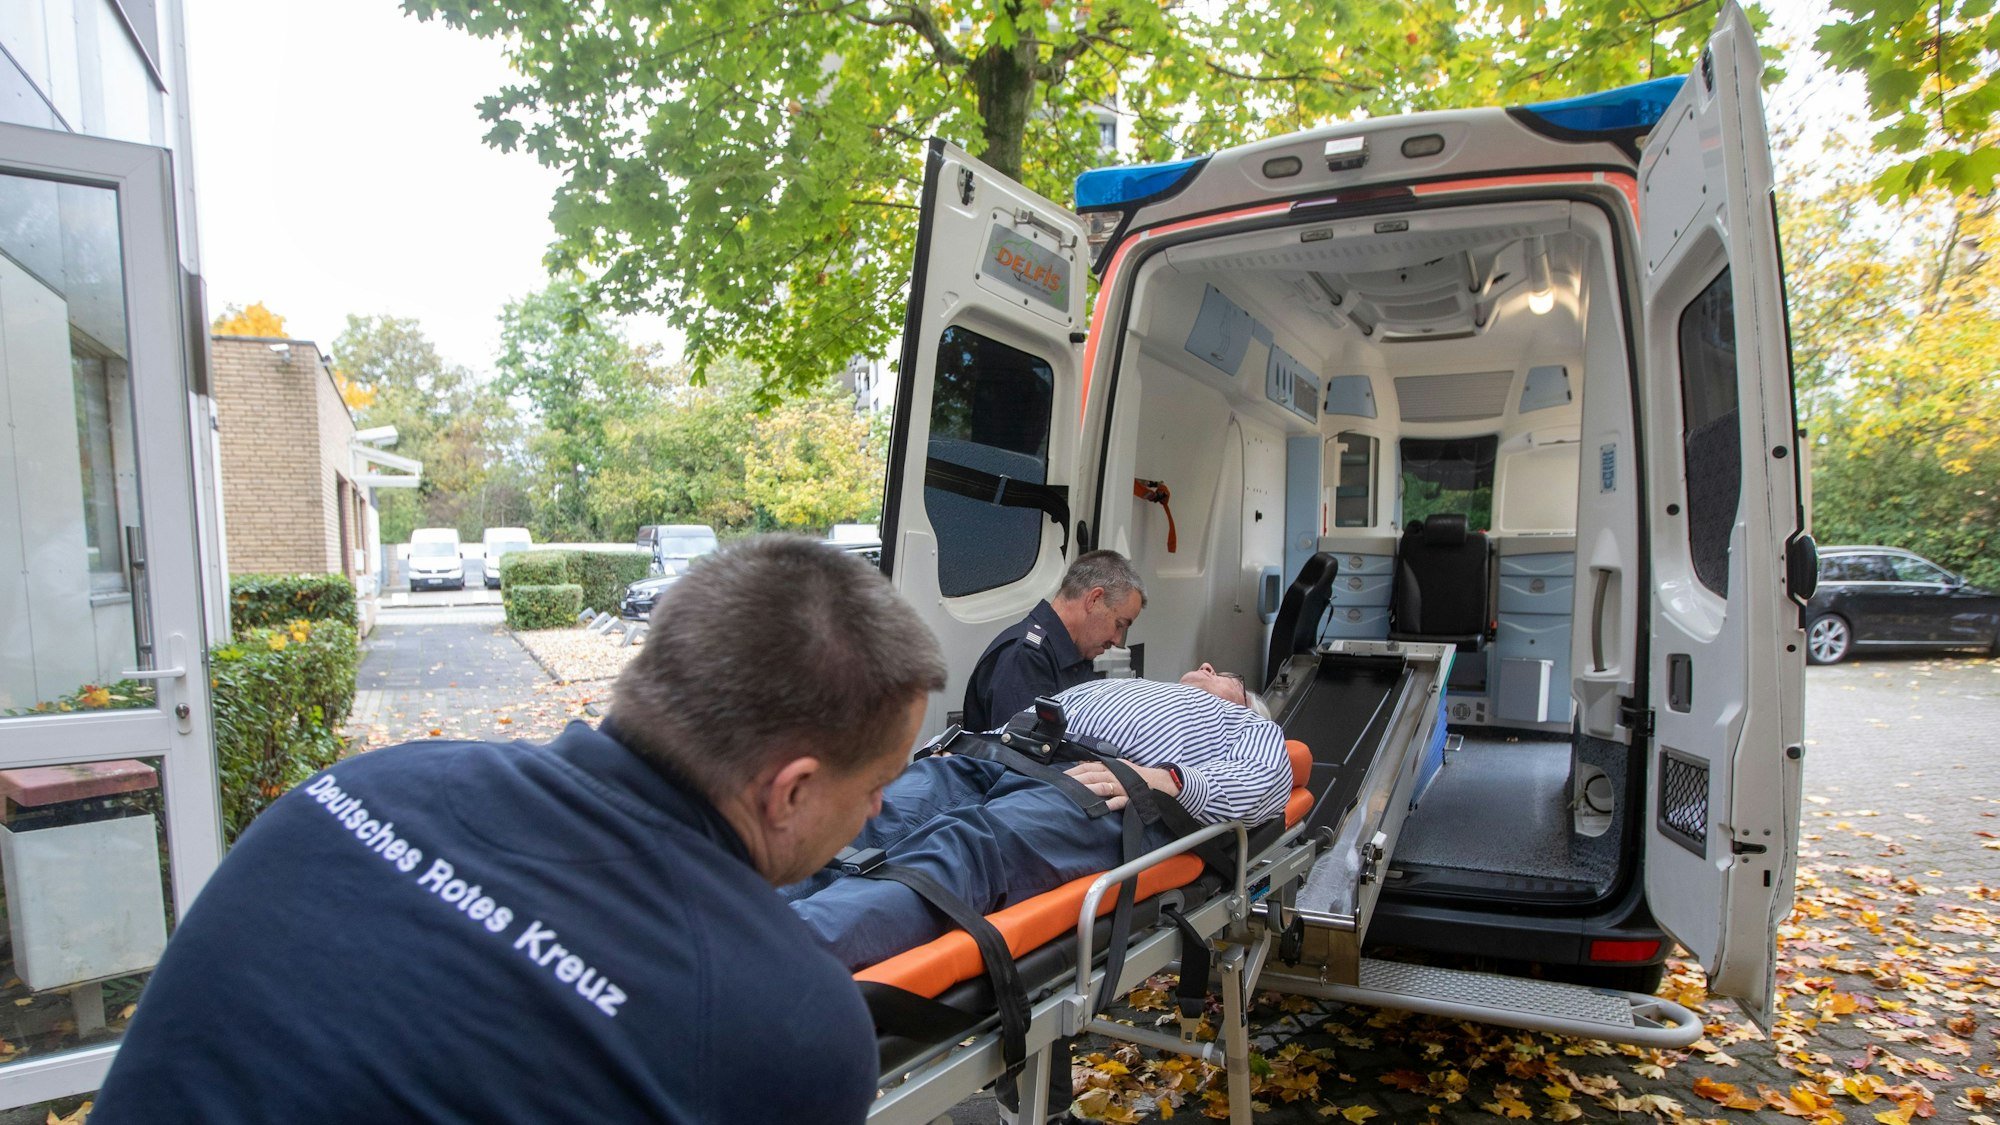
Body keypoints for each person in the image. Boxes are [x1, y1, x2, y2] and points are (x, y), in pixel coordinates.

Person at [92, 535, 946, 1125]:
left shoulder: (359, 785)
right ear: (789, 791)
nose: (878, 811)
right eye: (878, 785)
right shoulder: (791, 1022)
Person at [787, 665, 1287, 971]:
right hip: (1000, 754)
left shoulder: (1244, 724)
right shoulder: (1123, 686)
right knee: (871, 815)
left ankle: (782, 950)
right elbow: (1029, 717)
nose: (1205, 667)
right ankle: (741, 908)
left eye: (1228, 676)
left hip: (1095, 783)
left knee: (964, 849)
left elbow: (1268, 781)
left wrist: (1162, 781)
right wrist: (947, 749)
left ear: (1247, 704)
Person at [961, 550, 1147, 732]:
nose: (1117, 639)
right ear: (1094, 599)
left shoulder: (1073, 657)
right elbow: (1024, 755)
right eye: (1119, 624)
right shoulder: (1025, 657)